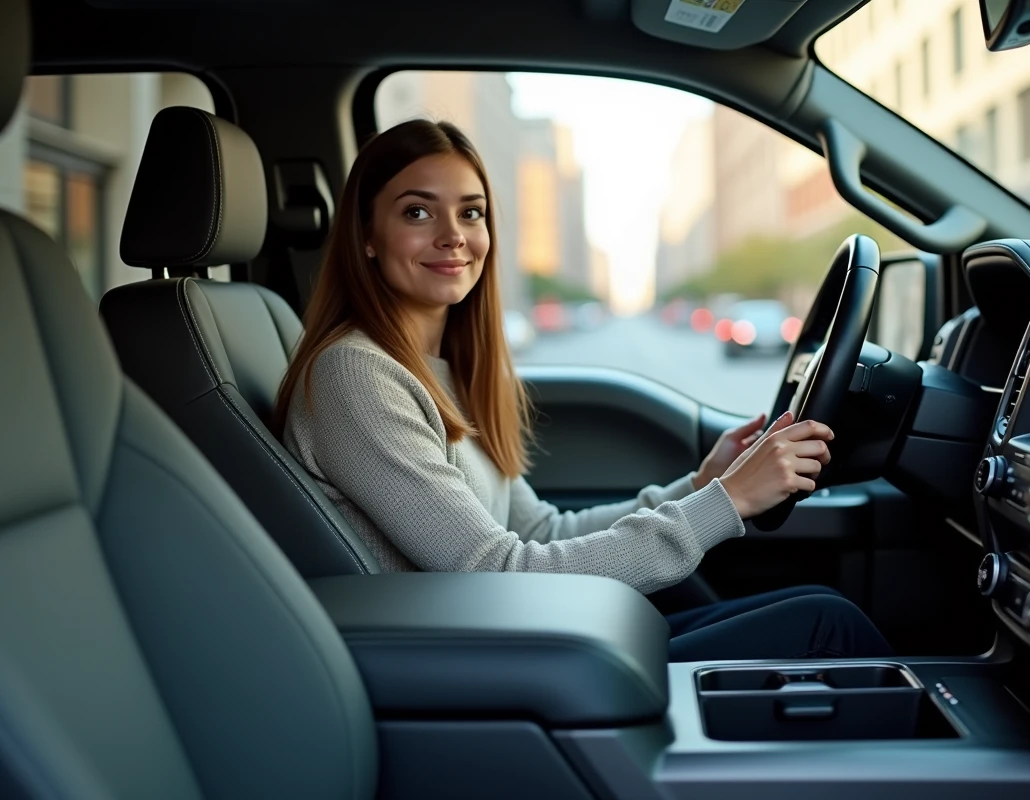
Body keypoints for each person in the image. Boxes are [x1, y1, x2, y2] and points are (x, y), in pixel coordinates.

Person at [275, 119, 891, 662]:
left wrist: (701, 486)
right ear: (366, 237)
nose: (453, 234)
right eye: (417, 212)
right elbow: (499, 572)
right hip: (483, 660)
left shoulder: (440, 369)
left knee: (814, 608)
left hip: (518, 632)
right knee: (826, 625)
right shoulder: (354, 375)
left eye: (471, 211)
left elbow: (538, 533)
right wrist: (725, 503)